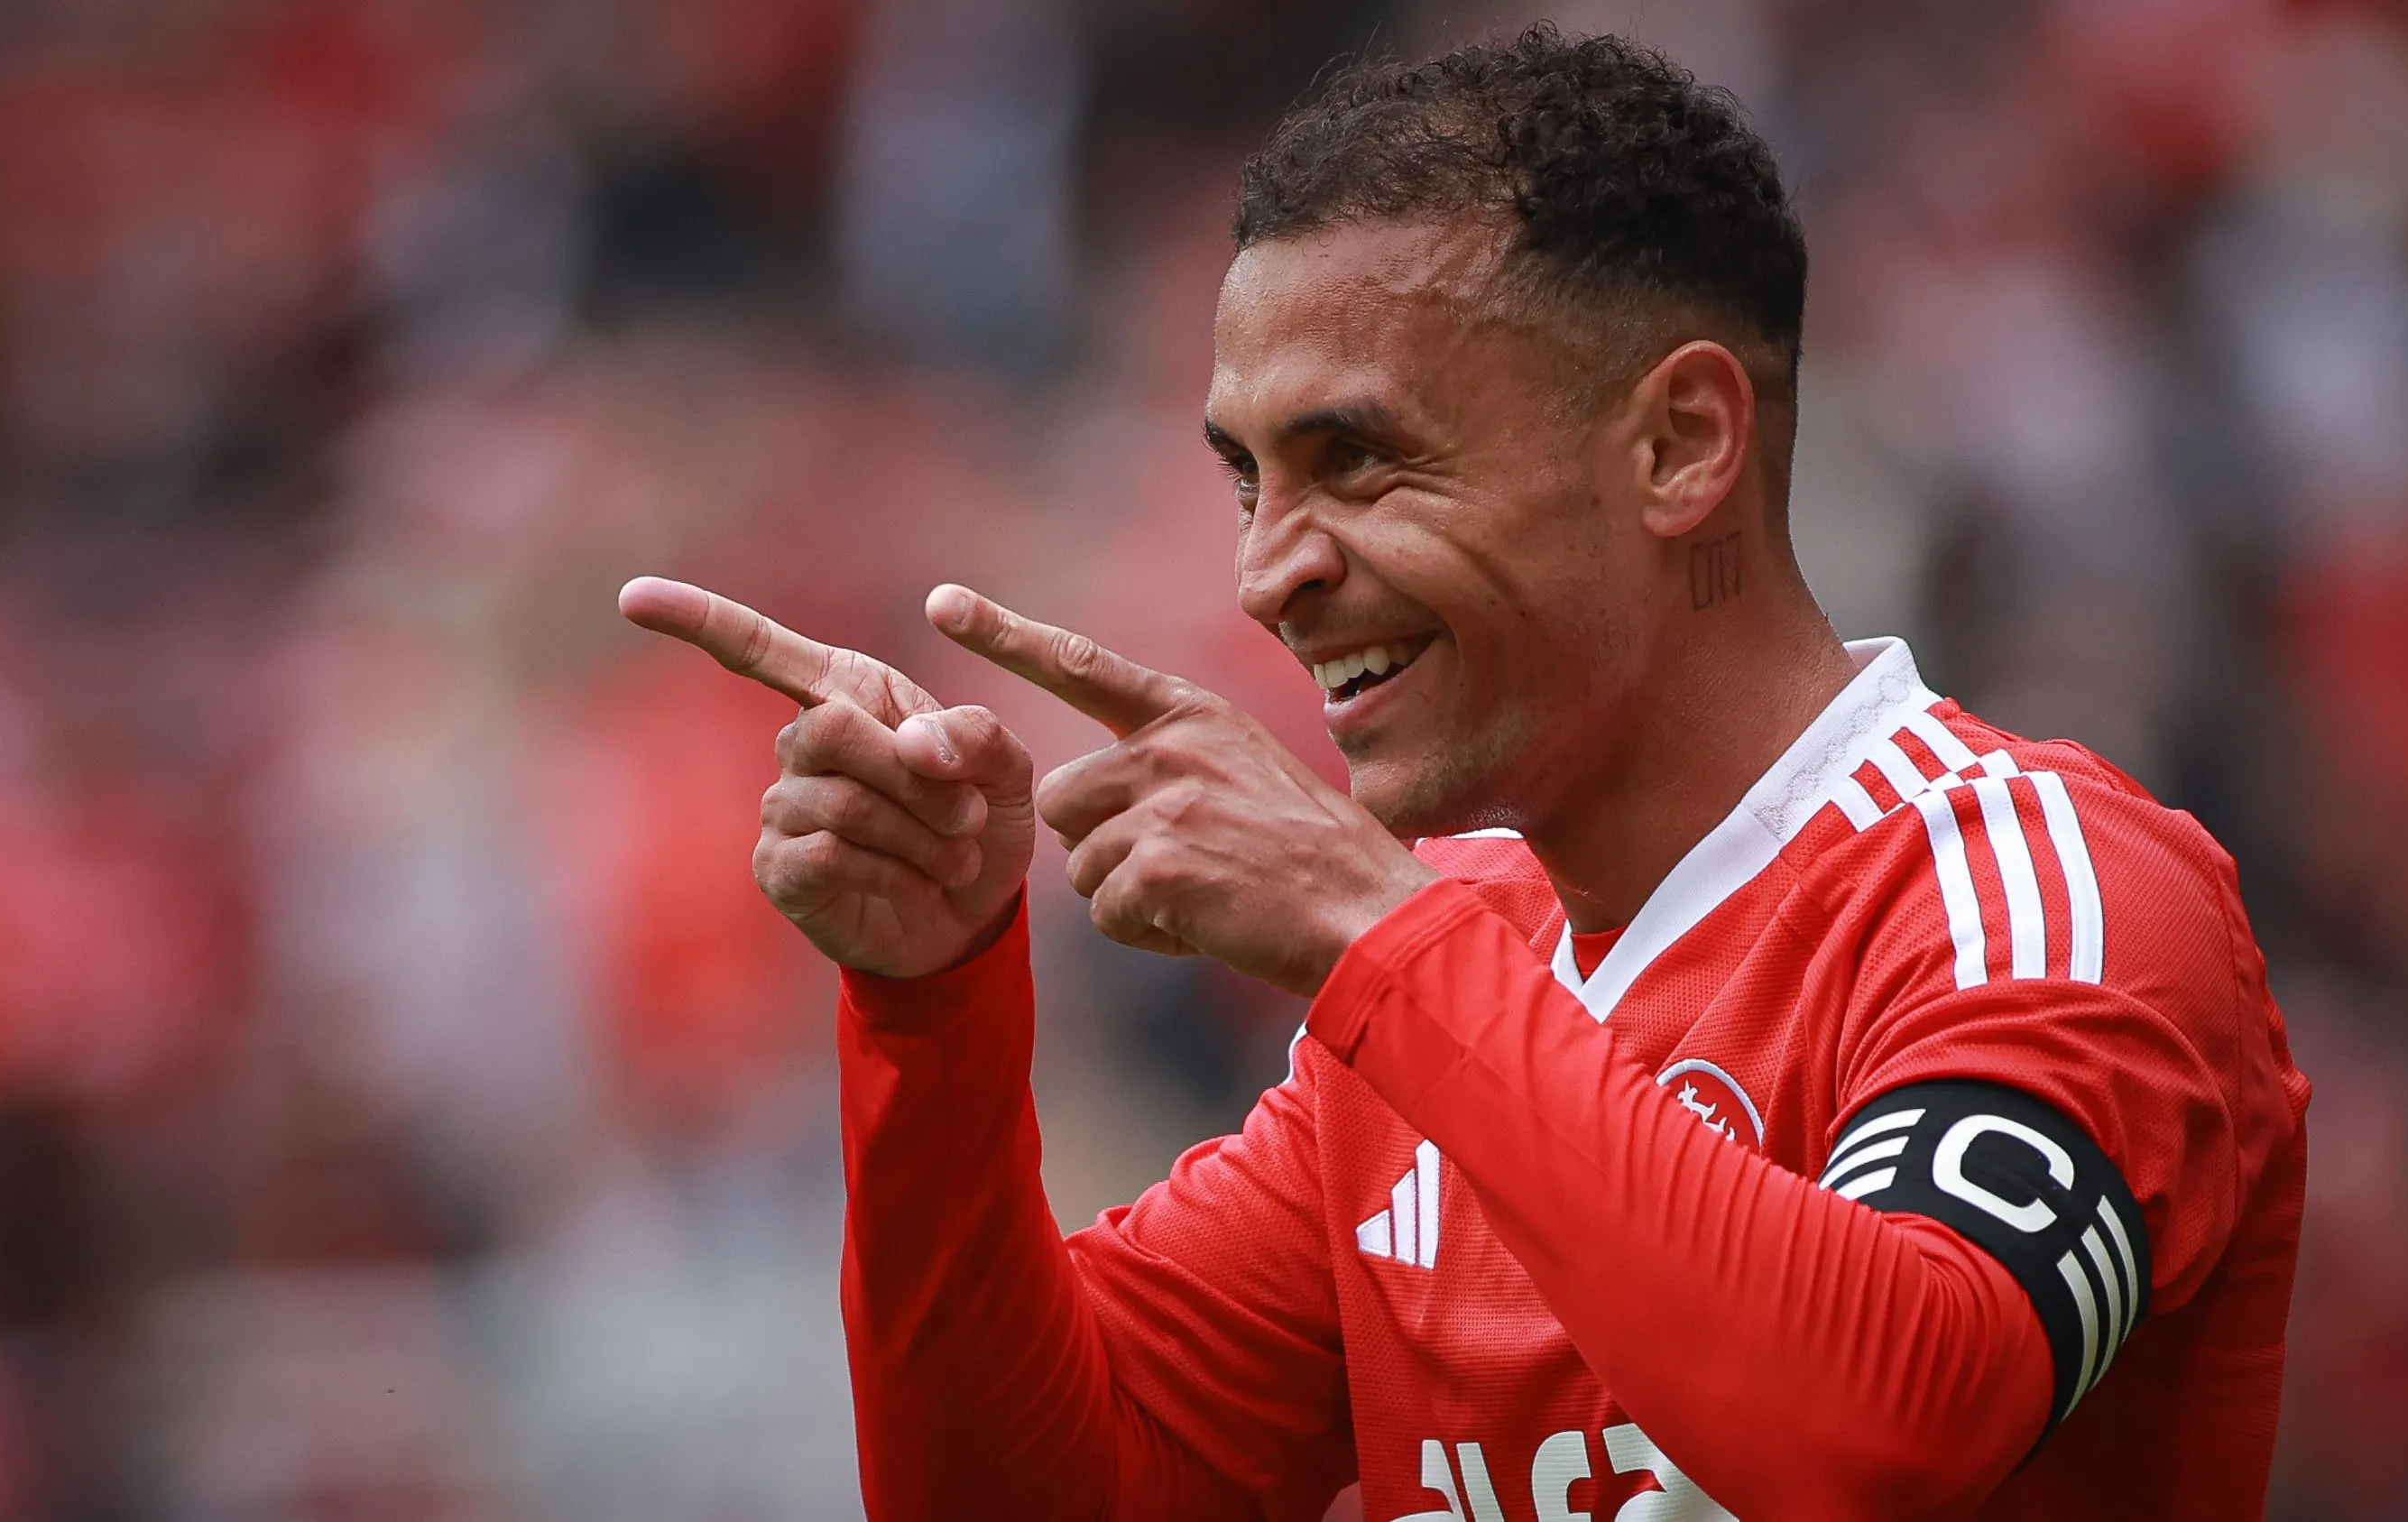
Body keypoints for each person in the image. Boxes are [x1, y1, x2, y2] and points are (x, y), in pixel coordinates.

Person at [620, 25, 2307, 1522]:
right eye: (1247, 480)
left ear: (1679, 446)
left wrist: (1378, 946)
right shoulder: (1435, 983)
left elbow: (1879, 1431)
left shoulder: (2041, 891)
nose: (1269, 572)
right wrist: (930, 1014)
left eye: (1356, 461)